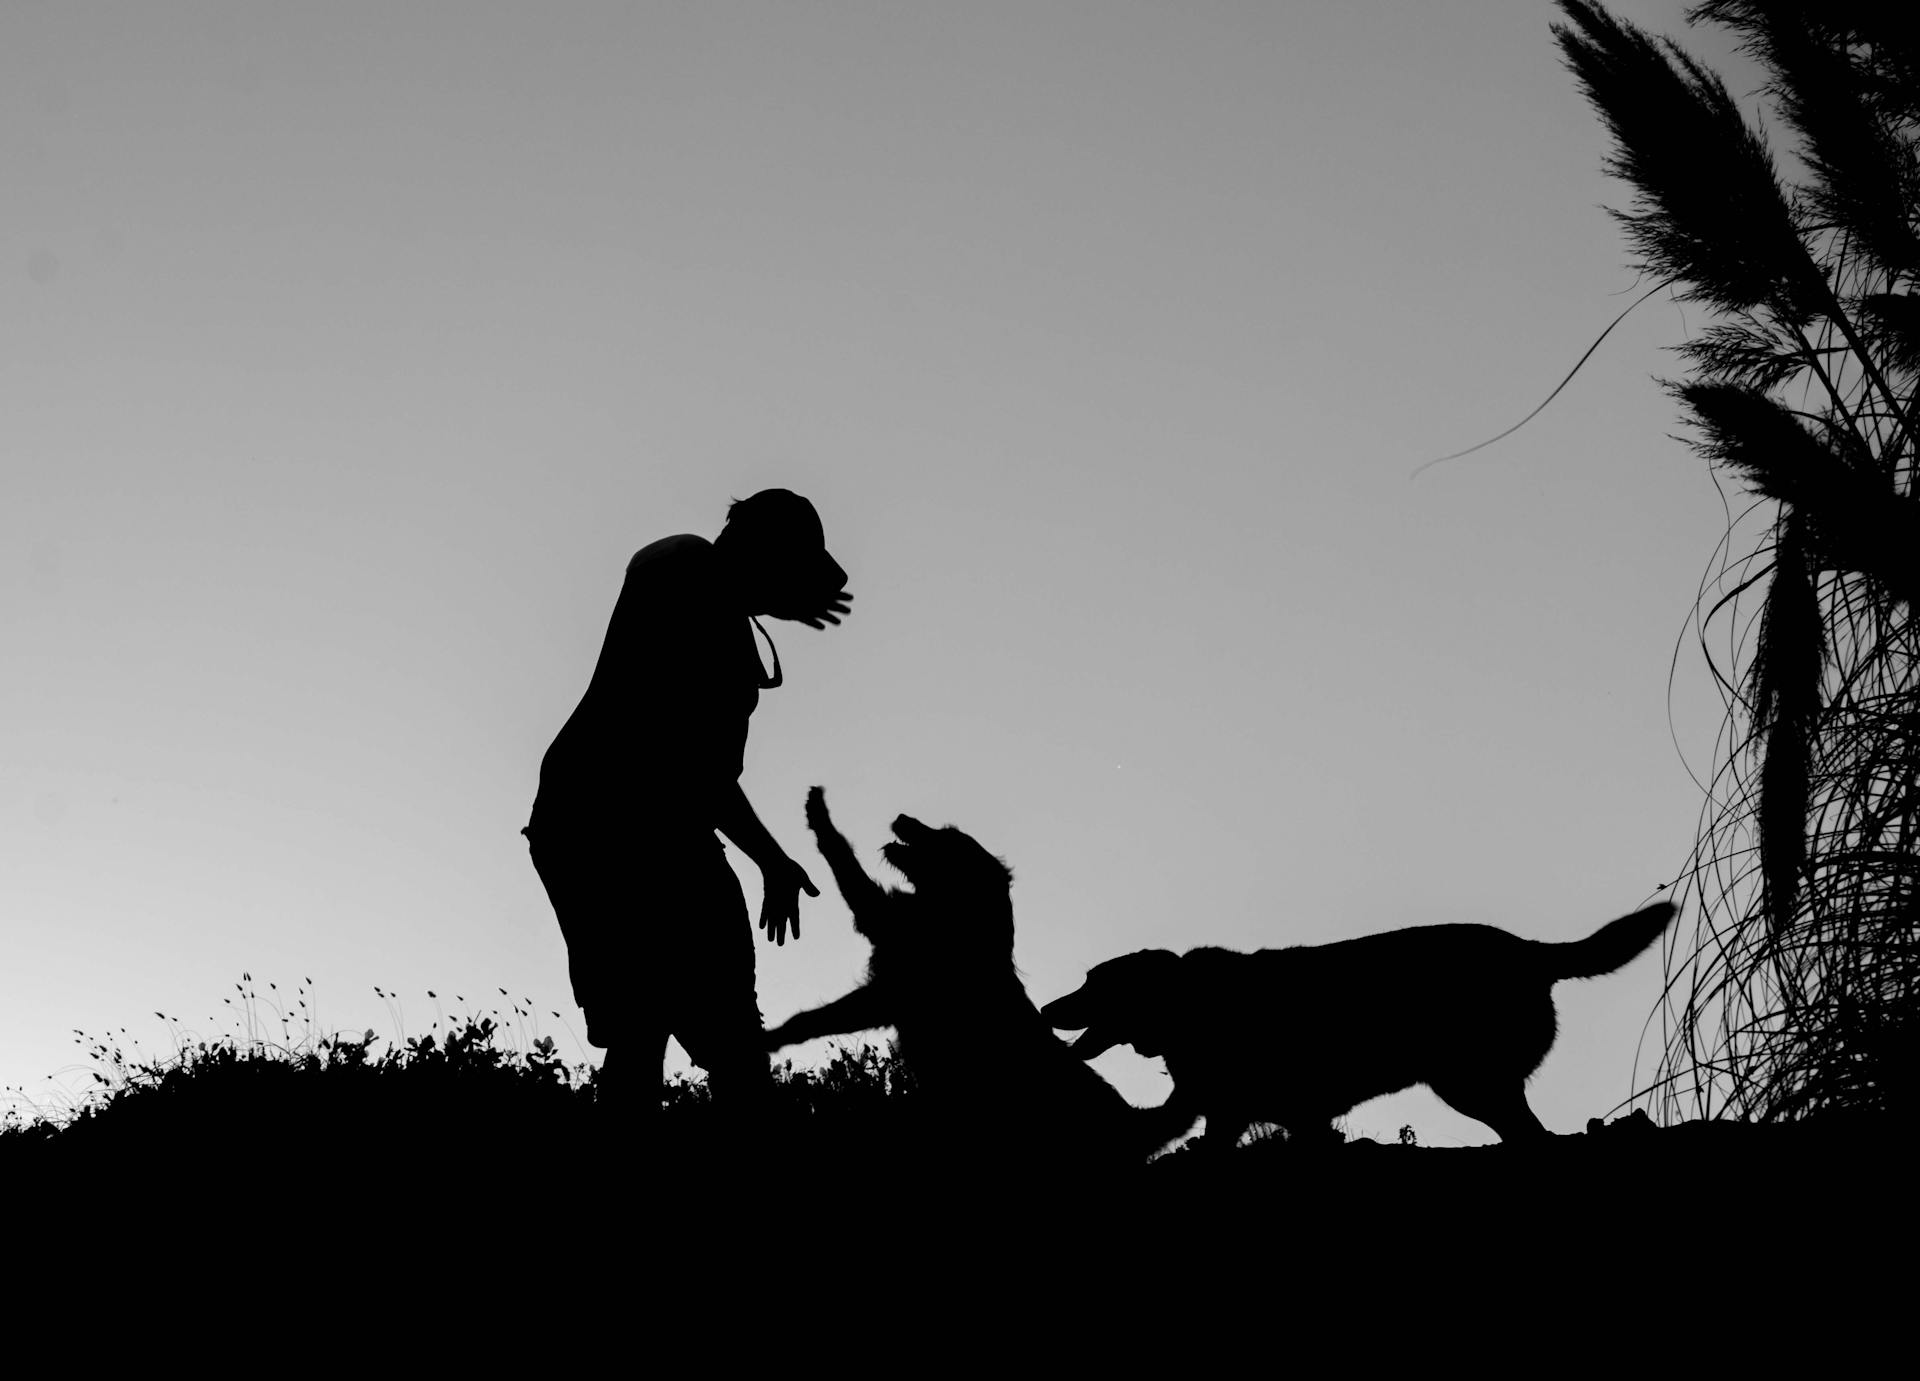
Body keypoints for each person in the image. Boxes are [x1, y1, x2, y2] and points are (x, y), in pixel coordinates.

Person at [523, 489, 852, 1130]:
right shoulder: (681, 564)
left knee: (683, 1026)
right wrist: (771, 858)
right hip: (600, 823)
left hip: (651, 827)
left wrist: (774, 861)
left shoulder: (730, 638)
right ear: (761, 551)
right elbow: (689, 762)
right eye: (790, 568)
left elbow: (705, 779)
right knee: (657, 1021)